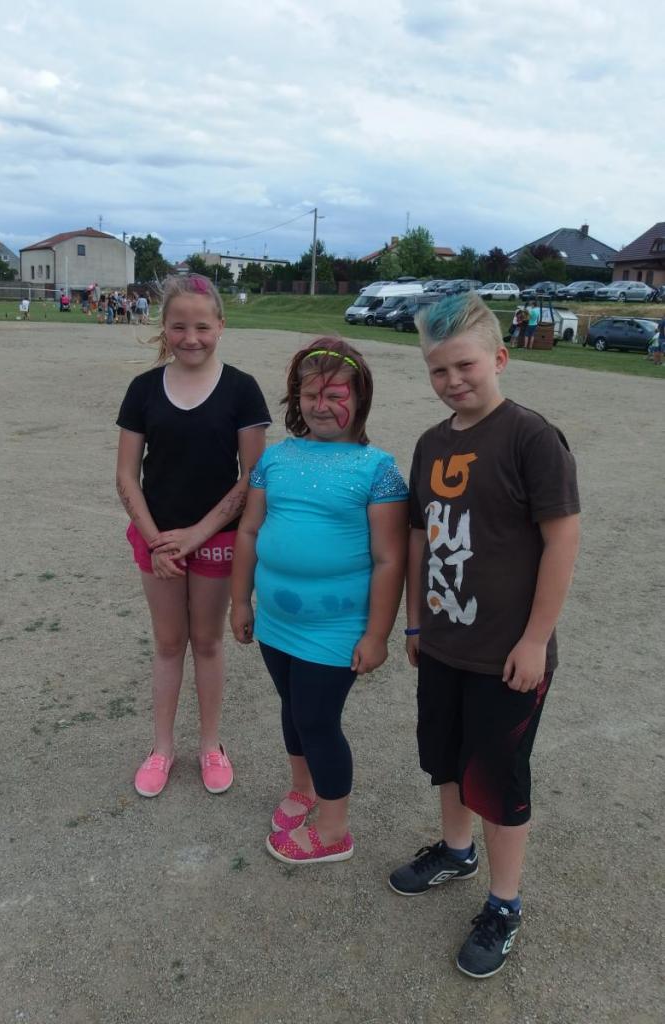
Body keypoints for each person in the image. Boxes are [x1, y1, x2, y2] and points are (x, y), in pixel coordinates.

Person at [389, 292, 580, 979]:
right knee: (446, 760)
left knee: (496, 779)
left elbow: (561, 540)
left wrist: (535, 640)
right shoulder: (430, 443)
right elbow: (419, 536)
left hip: (507, 655)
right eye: (437, 370)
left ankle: (504, 903)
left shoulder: (531, 437)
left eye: (464, 365)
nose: (452, 381)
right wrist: (416, 619)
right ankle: (455, 850)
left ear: (499, 358)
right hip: (443, 643)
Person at [230, 340, 408, 865]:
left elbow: (390, 560)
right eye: (310, 395)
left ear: (360, 398)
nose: (321, 406)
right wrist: (240, 602)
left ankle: (334, 831)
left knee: (316, 718)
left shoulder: (377, 470)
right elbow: (249, 531)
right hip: (276, 622)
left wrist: (377, 635)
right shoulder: (274, 459)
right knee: (292, 708)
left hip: (336, 628)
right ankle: (302, 787)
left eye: (335, 395)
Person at [115, 273, 271, 798]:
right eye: (179, 326)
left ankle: (210, 745)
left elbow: (252, 478)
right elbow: (126, 476)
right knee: (167, 643)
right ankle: (162, 748)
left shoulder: (242, 390)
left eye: (202, 326)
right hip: (157, 540)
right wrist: (157, 540)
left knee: (206, 642)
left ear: (220, 326)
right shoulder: (143, 389)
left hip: (217, 539)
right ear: (164, 326)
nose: (191, 337)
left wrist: (197, 535)